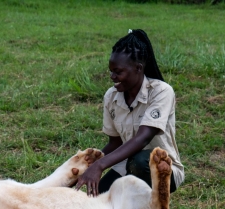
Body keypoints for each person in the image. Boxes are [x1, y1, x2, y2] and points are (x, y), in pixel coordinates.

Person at [75, 29, 184, 199]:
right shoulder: (111, 96)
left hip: (162, 171)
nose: (112, 76)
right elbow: (115, 142)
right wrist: (88, 164)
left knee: (141, 161)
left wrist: (100, 166)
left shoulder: (161, 92)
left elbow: (143, 138)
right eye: (111, 71)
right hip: (126, 167)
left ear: (138, 68)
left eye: (118, 72)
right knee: (97, 202)